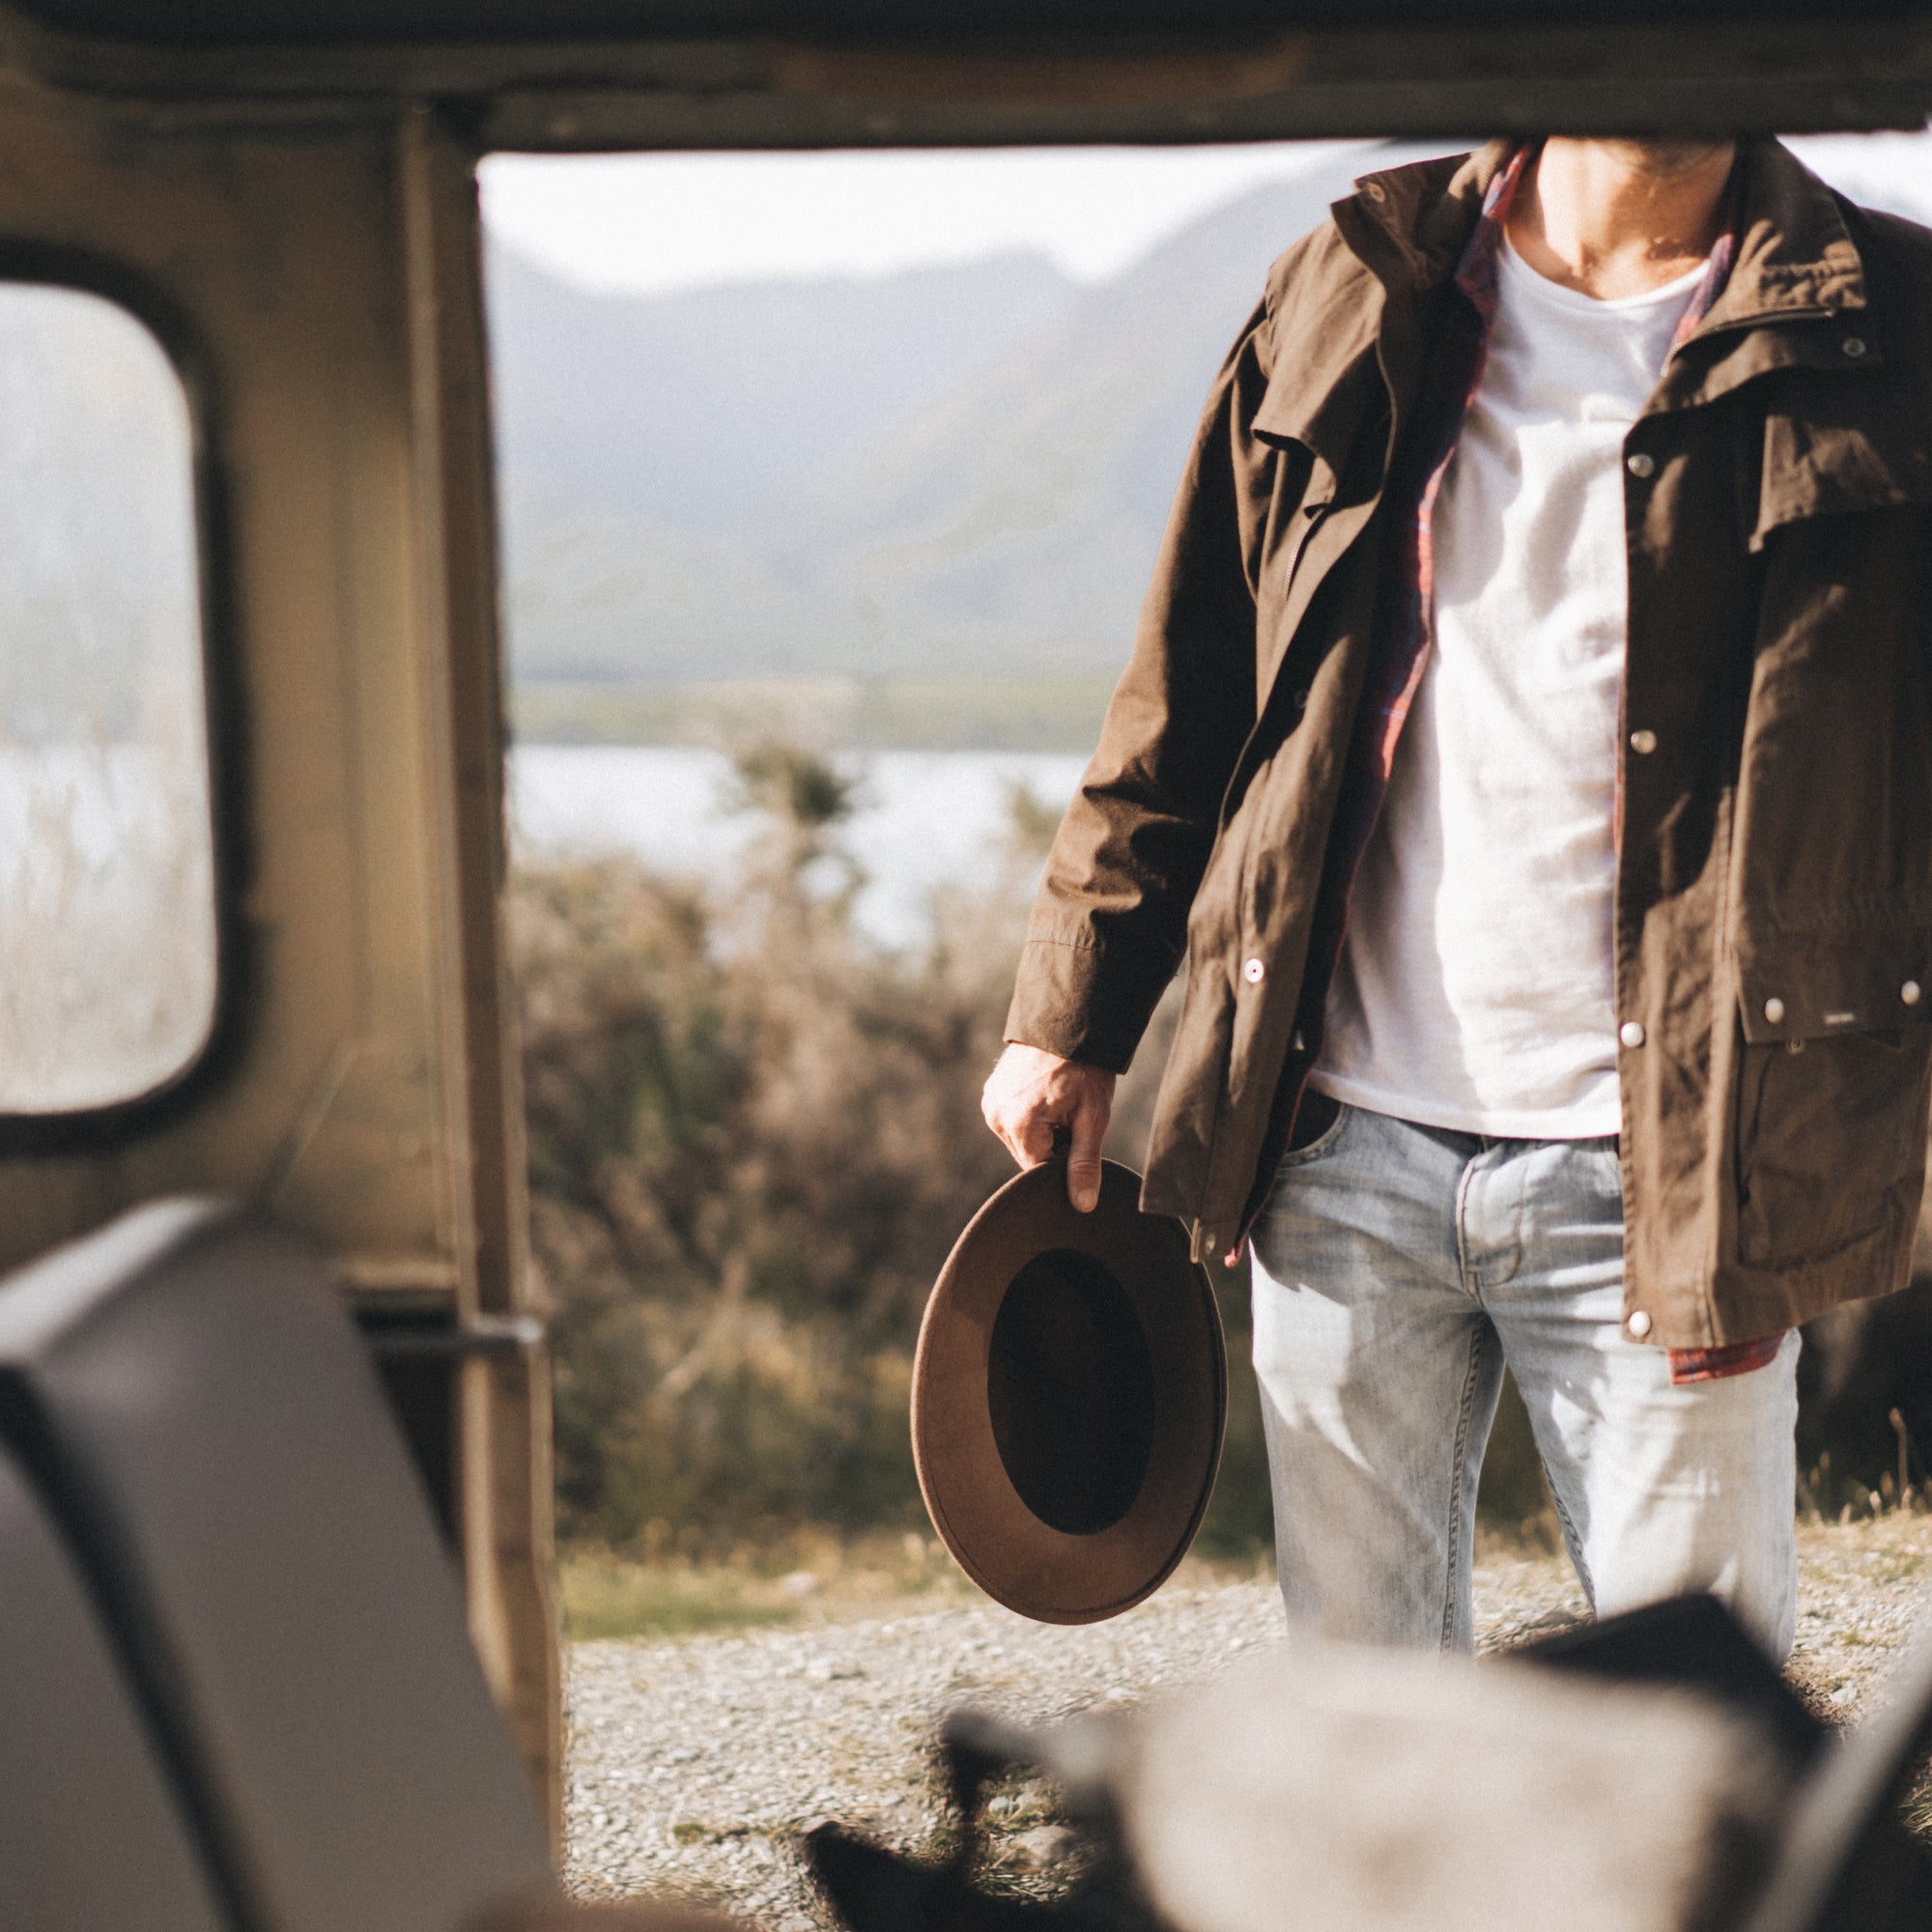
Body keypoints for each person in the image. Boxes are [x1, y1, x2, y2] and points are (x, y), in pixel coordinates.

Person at [981, 135, 1932, 1660]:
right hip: (1338, 1142)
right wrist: (1074, 1013)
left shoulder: (1894, 323)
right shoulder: (1358, 276)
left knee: (1689, 1763)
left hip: (1686, 1171)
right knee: (1371, 1745)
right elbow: (1193, 683)